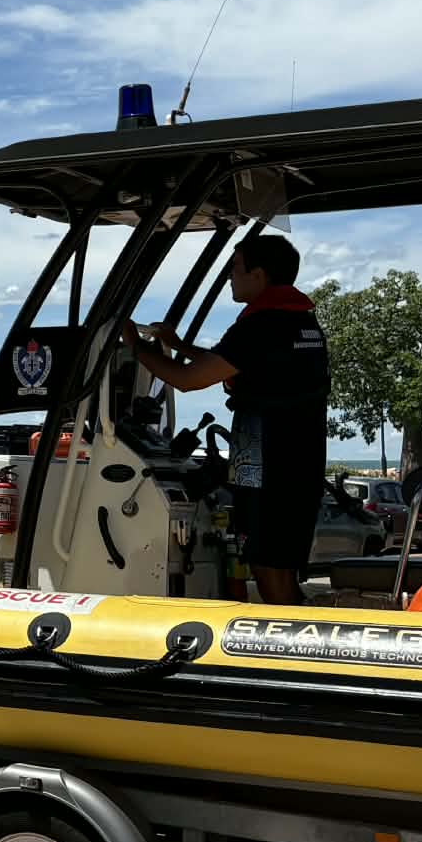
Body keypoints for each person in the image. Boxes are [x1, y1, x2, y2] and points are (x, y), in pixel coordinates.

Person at [134, 234, 329, 607]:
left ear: (258, 274)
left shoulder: (261, 325)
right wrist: (178, 346)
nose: (229, 278)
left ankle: (281, 655)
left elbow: (188, 380)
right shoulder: (300, 322)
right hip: (300, 461)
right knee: (284, 565)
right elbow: (235, 360)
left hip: (267, 465)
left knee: (267, 566)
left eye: (235, 268)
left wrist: (134, 345)